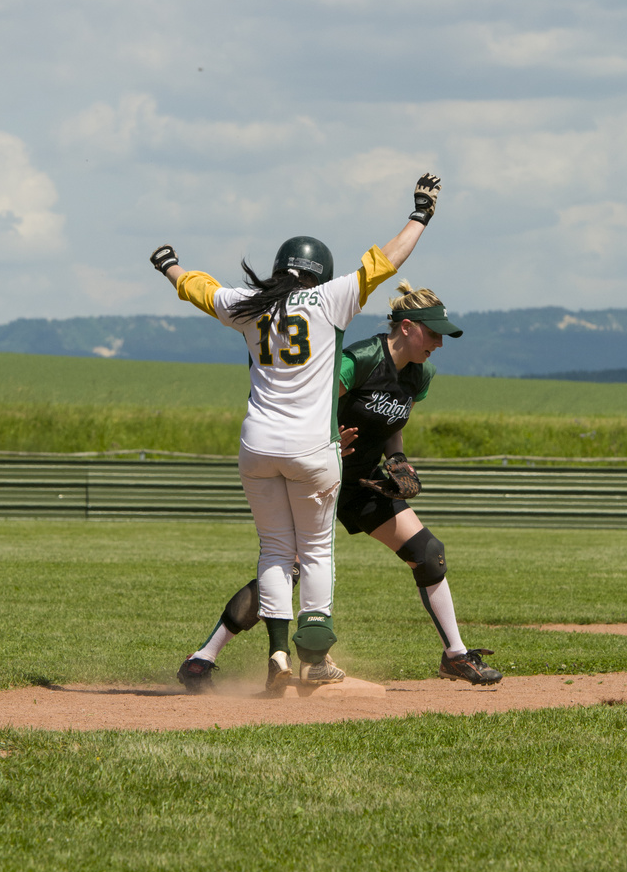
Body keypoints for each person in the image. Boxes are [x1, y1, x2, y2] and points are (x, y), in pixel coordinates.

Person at [151, 173, 441, 691]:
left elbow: (198, 289)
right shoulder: (331, 299)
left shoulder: (248, 304)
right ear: (320, 272)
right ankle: (314, 655)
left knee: (274, 554)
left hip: (256, 446)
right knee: (315, 551)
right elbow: (387, 261)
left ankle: (278, 660)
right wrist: (421, 213)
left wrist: (169, 264)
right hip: (312, 448)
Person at [176, 279, 502, 693]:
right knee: (286, 569)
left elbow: (392, 425)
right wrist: (327, 439)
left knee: (428, 553)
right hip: (318, 475)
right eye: (432, 332)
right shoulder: (361, 359)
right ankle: (201, 660)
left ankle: (455, 655)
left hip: (363, 482)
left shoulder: (420, 375)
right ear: (406, 327)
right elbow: (317, 400)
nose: (439, 342)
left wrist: (396, 459)